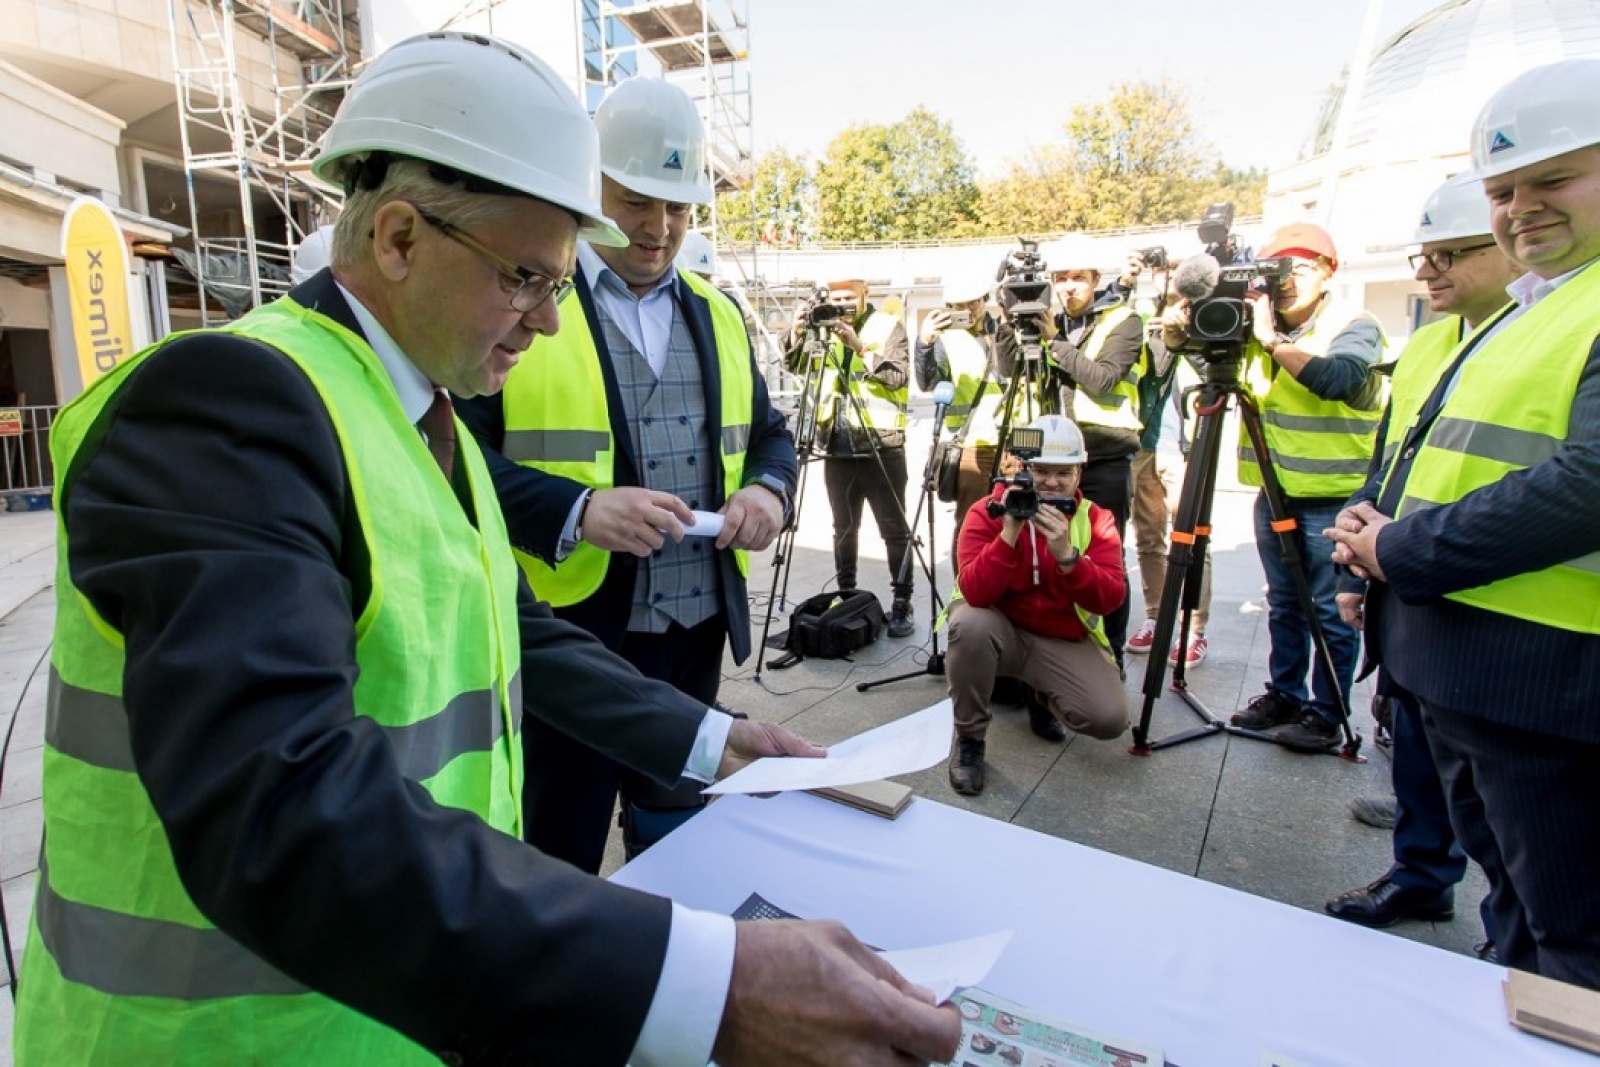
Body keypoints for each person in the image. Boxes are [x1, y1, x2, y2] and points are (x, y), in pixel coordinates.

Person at [12, 34, 962, 1066]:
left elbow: (513, 628)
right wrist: (706, 984)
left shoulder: (422, 412)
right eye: (525, 278)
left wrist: (714, 742)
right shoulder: (222, 406)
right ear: (400, 238)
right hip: (220, 1040)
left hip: (390, 1017)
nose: (549, 324)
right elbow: (277, 809)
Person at [455, 77, 797, 871]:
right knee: (560, 842)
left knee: (681, 828)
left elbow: (772, 435)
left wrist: (766, 491)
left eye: (679, 207)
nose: (660, 226)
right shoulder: (527, 298)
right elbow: (453, 466)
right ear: (592, 183)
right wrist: (577, 509)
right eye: (638, 199)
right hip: (575, 634)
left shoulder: (718, 313)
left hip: (696, 630)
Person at [1327, 58, 1600, 989]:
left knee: (1570, 940)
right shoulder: (1538, 308)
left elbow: (1588, 483)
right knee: (1526, 919)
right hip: (1473, 661)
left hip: (1547, 680)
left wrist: (1395, 549)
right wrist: (1371, 553)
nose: (1522, 208)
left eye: (1554, 178)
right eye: (1504, 190)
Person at [1324, 173, 1520, 934]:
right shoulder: (1435, 342)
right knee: (1414, 741)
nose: (1429, 270)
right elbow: (1395, 459)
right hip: (1404, 577)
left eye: (1450, 253)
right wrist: (1362, 552)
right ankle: (1422, 871)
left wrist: (1394, 551)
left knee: (1508, 815)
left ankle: (1517, 940)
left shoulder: (1548, 332)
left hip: (1492, 596)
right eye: (1422, 256)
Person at [1228, 221, 1386, 752]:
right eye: (1277, 268)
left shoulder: (1353, 324)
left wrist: (1271, 341)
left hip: (1335, 496)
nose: (1287, 278)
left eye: (1299, 266)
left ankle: (1328, 711)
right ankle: (1286, 694)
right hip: (1275, 493)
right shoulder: (1258, 321)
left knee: (1331, 608)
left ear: (1327, 270)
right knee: (1284, 604)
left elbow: (1339, 379)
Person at [945, 415, 1128, 796]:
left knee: (1108, 719)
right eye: (1041, 471)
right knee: (971, 625)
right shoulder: (986, 511)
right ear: (1021, 469)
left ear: (1080, 471)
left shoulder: (1097, 519)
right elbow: (975, 592)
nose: (1051, 482)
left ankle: (1041, 694)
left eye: (1063, 473)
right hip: (1001, 633)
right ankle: (969, 741)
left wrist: (1068, 558)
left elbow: (1111, 598)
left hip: (1061, 637)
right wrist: (1009, 533)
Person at [1007, 244, 1146, 670]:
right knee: (1040, 550)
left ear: (1095, 280)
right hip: (1048, 460)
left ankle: (1112, 654)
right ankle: (1041, 650)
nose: (1068, 287)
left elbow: (1103, 380)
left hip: (1102, 456)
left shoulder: (1123, 320)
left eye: (1078, 277)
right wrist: (1007, 325)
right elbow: (1005, 371)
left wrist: (1055, 341)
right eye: (1062, 278)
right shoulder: (1044, 317)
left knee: (1105, 561)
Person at [787, 278, 916, 637]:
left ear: (865, 296)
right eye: (837, 299)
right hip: (837, 445)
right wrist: (798, 333)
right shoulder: (822, 327)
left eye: (849, 299)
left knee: (894, 531)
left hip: (881, 445)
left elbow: (898, 376)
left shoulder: (887, 326)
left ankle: (902, 602)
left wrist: (858, 347)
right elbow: (796, 367)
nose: (842, 306)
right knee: (843, 529)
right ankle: (847, 595)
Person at [1125, 279, 1214, 669]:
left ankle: (1192, 629)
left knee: (1191, 538)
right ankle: (1156, 616)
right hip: (1144, 444)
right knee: (1147, 539)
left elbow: (1214, 377)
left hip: (1186, 448)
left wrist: (1186, 336)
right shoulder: (1143, 325)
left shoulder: (1205, 330)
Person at [915, 268, 1007, 547]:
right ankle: (964, 589)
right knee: (971, 526)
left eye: (973, 302)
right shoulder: (945, 340)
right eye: (959, 306)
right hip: (971, 447)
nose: (968, 310)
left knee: (1011, 524)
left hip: (1011, 445)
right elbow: (927, 383)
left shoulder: (1003, 332)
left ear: (984, 299)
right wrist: (924, 344)